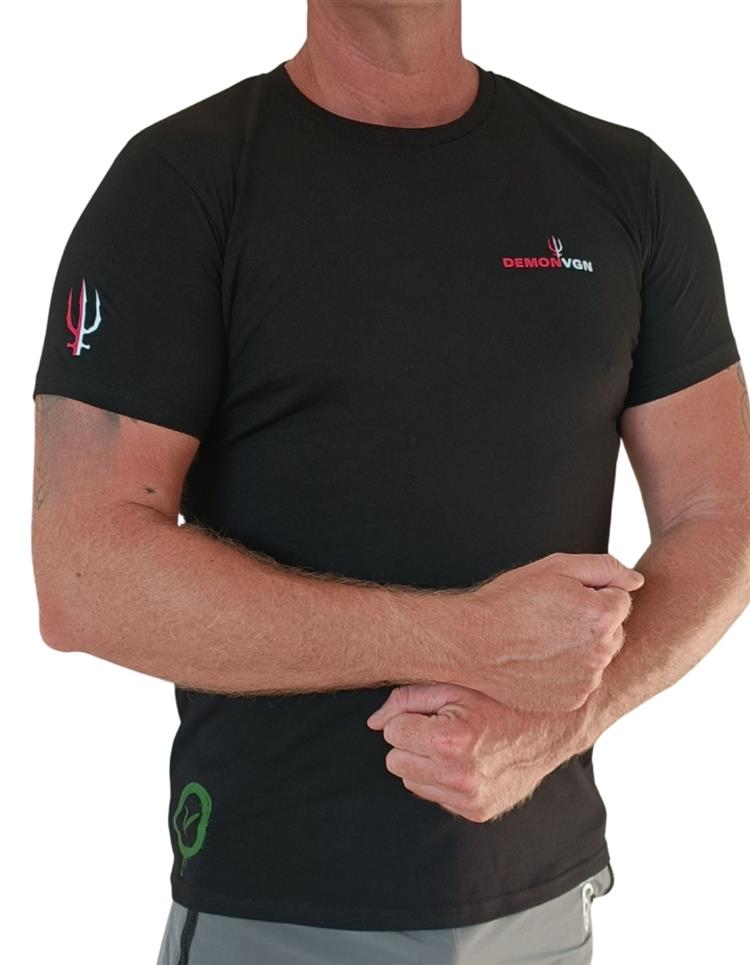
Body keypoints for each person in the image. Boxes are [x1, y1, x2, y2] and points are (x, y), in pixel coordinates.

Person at [30, 1, 750, 963]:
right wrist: (466, 635)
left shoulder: (625, 183)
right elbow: (82, 573)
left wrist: (563, 723)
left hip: (542, 908)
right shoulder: (180, 183)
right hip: (274, 912)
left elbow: (723, 511)